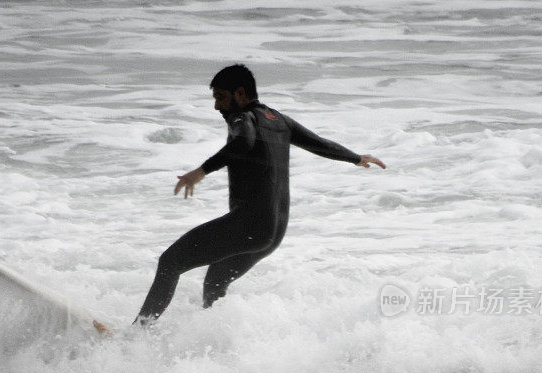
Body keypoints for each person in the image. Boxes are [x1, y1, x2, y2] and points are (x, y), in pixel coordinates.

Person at [134, 64, 385, 325]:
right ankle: (218, 344)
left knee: (170, 262)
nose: (217, 107)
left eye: (220, 97)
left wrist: (200, 171)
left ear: (240, 94)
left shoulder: (243, 118)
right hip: (273, 232)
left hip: (250, 226)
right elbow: (318, 143)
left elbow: (244, 142)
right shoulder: (279, 121)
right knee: (215, 281)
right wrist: (355, 158)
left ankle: (137, 336)